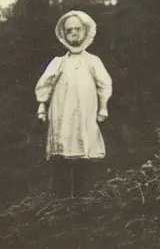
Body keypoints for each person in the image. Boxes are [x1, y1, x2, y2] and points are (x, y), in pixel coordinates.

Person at [35, 10, 113, 198]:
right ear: (63, 34)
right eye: (69, 30)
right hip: (62, 116)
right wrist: (42, 105)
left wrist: (103, 106)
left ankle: (82, 204)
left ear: (85, 31)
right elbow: (44, 84)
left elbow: (104, 84)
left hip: (84, 115)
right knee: (61, 158)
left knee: (82, 158)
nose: (74, 34)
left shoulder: (93, 61)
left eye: (78, 29)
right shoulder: (59, 62)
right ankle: (61, 206)